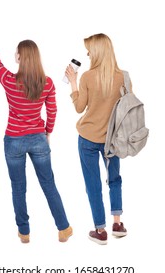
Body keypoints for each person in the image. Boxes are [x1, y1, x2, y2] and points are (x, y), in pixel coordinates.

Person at [0, 18, 72, 243]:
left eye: (16, 52)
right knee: (49, 184)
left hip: (14, 140)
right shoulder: (48, 83)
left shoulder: (8, 79)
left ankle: (24, 233)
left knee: (18, 188)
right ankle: (63, 228)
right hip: (38, 139)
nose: (14, 55)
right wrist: (48, 133)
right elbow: (52, 111)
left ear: (19, 57)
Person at [65, 33, 127, 245]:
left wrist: (73, 83)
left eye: (89, 49)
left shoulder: (87, 77)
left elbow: (79, 108)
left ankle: (100, 231)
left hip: (88, 139)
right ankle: (118, 224)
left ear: (98, 51)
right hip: (113, 140)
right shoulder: (122, 77)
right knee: (115, 179)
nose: (88, 53)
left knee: (93, 185)